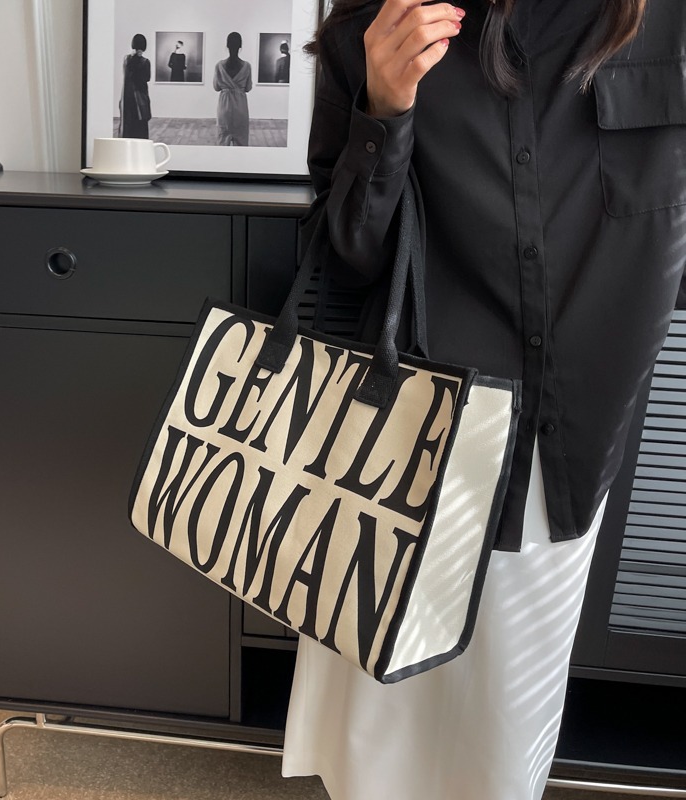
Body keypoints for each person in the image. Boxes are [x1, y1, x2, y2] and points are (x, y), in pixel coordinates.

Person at [280, 1, 686, 799]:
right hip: (405, 445)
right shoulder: (375, 24)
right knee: (378, 732)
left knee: (503, 735)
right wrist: (384, 109)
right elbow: (346, 254)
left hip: (568, 446)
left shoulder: (662, 22)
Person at [213, 32, 252, 146]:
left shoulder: (219, 66)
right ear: (240, 46)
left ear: (227, 46)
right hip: (241, 108)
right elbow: (248, 88)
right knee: (241, 144)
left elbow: (216, 87)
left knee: (222, 141)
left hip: (224, 107)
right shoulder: (247, 66)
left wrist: (226, 86)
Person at [118, 33, 151, 139]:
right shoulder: (145, 62)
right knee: (141, 124)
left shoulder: (126, 60)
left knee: (128, 124)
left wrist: (133, 57)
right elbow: (147, 78)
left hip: (127, 96)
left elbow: (128, 74)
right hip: (140, 96)